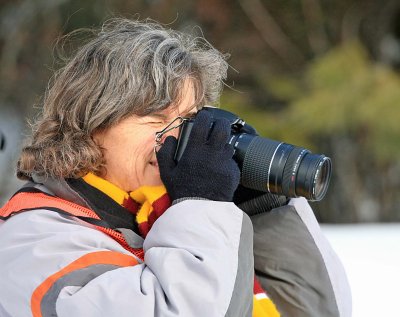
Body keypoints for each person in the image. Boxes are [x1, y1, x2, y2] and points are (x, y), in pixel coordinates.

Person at [0, 18, 351, 317]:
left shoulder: (170, 223)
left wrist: (261, 210)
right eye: (155, 118)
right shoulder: (34, 242)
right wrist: (202, 205)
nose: (177, 138)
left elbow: (311, 309)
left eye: (189, 121)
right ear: (90, 122)